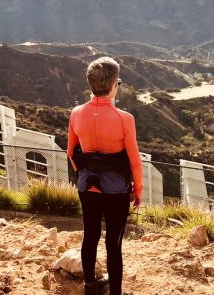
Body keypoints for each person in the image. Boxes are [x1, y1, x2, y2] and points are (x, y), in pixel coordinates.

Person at [67, 57, 142, 295]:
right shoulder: (124, 119)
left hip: (87, 187)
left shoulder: (76, 113)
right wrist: (137, 190)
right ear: (113, 86)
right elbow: (134, 161)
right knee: (114, 243)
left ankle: (89, 286)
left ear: (91, 85)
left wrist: (86, 174)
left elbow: (71, 152)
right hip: (116, 191)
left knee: (90, 236)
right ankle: (115, 293)